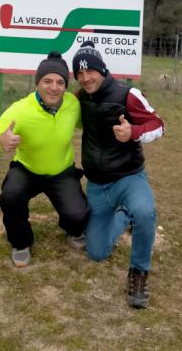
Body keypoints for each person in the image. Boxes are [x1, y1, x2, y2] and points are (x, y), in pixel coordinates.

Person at [72, 40, 165, 308]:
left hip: (129, 177)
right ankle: (124, 216)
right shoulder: (79, 98)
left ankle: (138, 273)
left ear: (102, 70)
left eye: (90, 71)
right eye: (79, 73)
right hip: (97, 184)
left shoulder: (128, 94)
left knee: (145, 213)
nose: (85, 77)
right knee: (96, 253)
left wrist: (133, 132)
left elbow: (159, 125)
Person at [0, 51, 90, 268]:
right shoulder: (21, 109)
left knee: (78, 216)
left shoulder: (72, 105)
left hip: (61, 172)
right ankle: (21, 242)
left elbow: (88, 123)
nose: (54, 87)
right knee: (10, 197)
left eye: (59, 82)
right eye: (47, 81)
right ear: (37, 83)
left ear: (66, 86)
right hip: (27, 170)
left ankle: (72, 231)